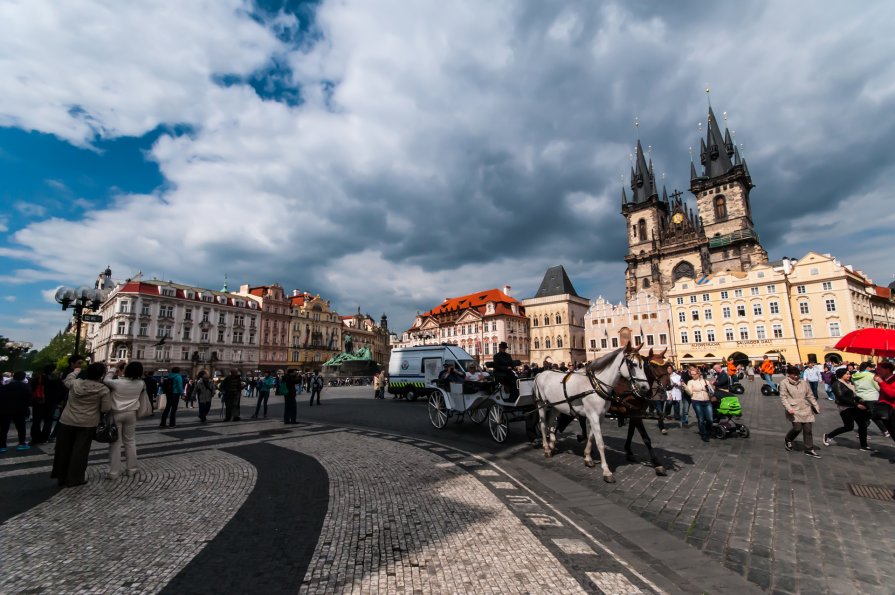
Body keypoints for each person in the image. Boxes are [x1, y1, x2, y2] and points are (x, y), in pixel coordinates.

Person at [52, 363, 109, 487]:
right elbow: (105, 408)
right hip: (87, 423)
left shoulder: (75, 383)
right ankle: (75, 478)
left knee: (63, 449)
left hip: (67, 420)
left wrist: (76, 370)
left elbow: (67, 379)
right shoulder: (103, 389)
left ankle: (61, 476)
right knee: (80, 451)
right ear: (101, 375)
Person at [103, 361, 146, 478]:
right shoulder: (141, 383)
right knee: (130, 441)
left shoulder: (118, 383)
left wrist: (114, 367)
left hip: (116, 413)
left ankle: (113, 472)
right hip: (131, 413)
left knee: (115, 443)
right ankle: (132, 469)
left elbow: (106, 379)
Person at [823, 368, 870, 451]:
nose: (849, 375)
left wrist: (860, 400)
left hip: (854, 406)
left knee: (862, 425)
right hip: (845, 408)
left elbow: (854, 395)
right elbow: (841, 397)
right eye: (847, 374)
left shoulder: (848, 383)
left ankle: (864, 446)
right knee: (849, 427)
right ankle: (828, 436)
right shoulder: (837, 384)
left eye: (849, 374)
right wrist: (856, 404)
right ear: (842, 375)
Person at [779, 365, 821, 458]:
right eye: (794, 375)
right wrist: (788, 407)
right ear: (789, 374)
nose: (797, 377)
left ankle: (809, 449)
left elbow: (810, 395)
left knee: (808, 430)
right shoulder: (784, 383)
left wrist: (816, 405)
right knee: (797, 428)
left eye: (798, 374)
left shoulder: (804, 383)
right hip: (793, 409)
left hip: (805, 408)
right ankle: (788, 439)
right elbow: (783, 397)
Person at [851, 362, 889, 437]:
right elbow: (878, 387)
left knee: (865, 416)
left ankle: (861, 431)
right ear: (867, 368)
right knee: (875, 415)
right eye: (870, 367)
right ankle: (885, 431)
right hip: (872, 398)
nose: (871, 369)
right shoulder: (872, 376)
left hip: (860, 398)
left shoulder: (854, 376)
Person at [0, 371, 32, 452]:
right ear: (23, 378)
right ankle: (22, 444)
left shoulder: (5, 386)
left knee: (3, 428)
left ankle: (2, 446)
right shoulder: (25, 386)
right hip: (20, 410)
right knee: (21, 427)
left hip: (5, 410)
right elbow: (29, 400)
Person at [681, 366, 713, 442]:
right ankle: (704, 434)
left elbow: (711, 391)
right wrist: (684, 386)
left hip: (707, 401)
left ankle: (707, 430)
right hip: (696, 401)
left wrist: (710, 388)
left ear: (698, 374)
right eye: (691, 374)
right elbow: (690, 393)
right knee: (701, 419)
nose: (692, 376)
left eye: (694, 374)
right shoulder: (690, 382)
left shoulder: (705, 381)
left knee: (710, 419)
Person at [873, 361, 895, 441]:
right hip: (886, 411)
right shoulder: (885, 379)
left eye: (879, 369)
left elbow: (892, 394)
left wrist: (881, 382)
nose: (877, 371)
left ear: (888, 370)